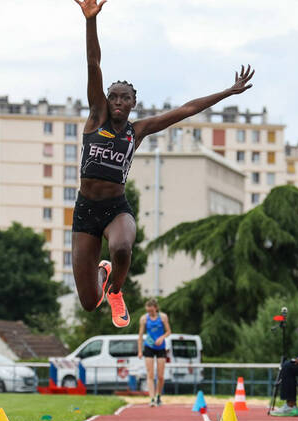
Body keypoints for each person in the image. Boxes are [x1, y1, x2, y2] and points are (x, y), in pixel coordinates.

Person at [72, 0, 254, 328]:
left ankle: (116, 290)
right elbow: (92, 63)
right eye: (113, 96)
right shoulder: (96, 116)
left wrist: (228, 91)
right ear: (105, 99)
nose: (117, 102)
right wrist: (90, 22)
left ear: (133, 104)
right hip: (85, 210)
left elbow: (185, 110)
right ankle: (103, 275)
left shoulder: (137, 131)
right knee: (87, 303)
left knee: (123, 247)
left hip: (115, 208)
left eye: (124, 98)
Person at [137, 299, 171, 407]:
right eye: (148, 311)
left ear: (155, 308)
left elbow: (169, 331)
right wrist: (139, 351)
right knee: (150, 374)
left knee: (160, 376)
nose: (150, 313)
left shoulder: (163, 317)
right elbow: (140, 335)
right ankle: (151, 398)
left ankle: (158, 396)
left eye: (151, 311)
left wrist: (162, 338)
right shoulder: (144, 319)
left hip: (161, 347)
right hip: (149, 347)